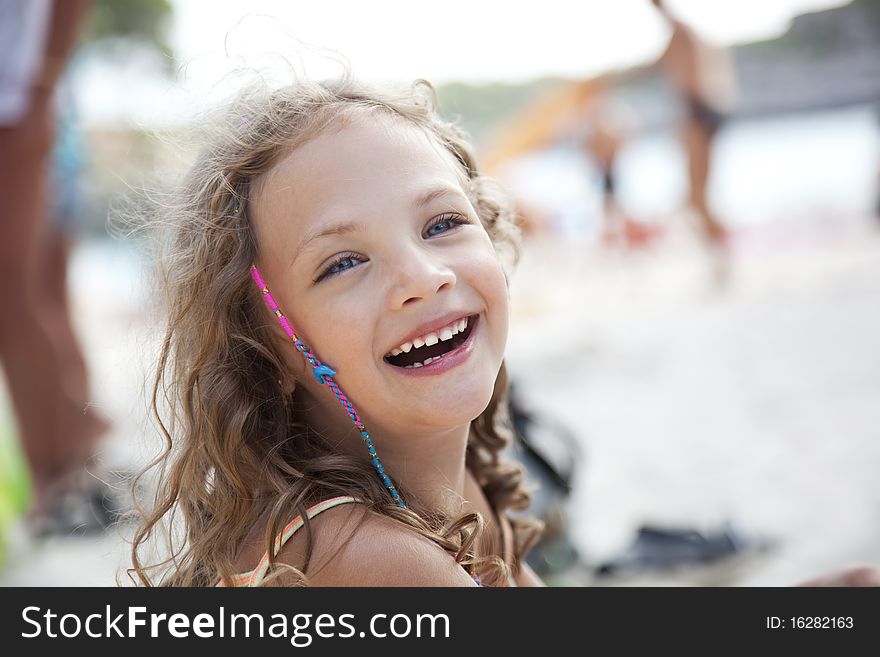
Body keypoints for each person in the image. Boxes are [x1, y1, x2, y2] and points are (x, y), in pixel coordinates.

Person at [129, 75, 546, 587]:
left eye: (441, 224)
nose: (421, 277)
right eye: (344, 263)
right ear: (264, 347)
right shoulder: (363, 558)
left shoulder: (462, 496)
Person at [0, 0, 111, 531]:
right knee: (35, 295)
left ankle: (63, 475)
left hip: (18, 103)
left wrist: (41, 88)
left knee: (16, 296)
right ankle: (75, 460)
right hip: (28, 100)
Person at [650, 0, 736, 248]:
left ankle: (720, 249)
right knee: (698, 194)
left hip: (697, 112)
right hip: (706, 110)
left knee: (697, 195)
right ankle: (718, 248)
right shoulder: (692, 34)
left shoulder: (681, 33)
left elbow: (680, 79)